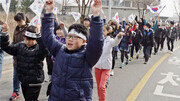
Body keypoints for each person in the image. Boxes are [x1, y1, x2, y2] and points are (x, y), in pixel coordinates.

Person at [42, 0, 104, 100]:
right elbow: (47, 36)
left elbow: (96, 42)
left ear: (84, 41)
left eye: (75, 37)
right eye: (69, 36)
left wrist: (96, 15)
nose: (70, 39)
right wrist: (49, 12)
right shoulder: (59, 50)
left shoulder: (88, 57)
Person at [1, 24, 48, 101]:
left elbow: (45, 50)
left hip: (35, 82)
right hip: (23, 81)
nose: (28, 42)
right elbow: (6, 47)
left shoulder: (39, 49)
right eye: (26, 39)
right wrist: (4, 33)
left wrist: (39, 35)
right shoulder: (20, 46)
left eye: (31, 40)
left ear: (36, 39)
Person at [94, 24, 123, 101]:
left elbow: (115, 42)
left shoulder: (109, 40)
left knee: (102, 86)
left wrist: (119, 36)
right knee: (98, 86)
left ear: (107, 31)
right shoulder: (97, 40)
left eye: (103, 30)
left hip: (106, 67)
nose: (101, 32)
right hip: (97, 67)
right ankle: (100, 99)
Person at [9, 12, 29, 101]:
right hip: (17, 57)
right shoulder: (16, 29)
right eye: (17, 22)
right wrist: (12, 48)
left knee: (26, 77)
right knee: (15, 76)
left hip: (27, 57)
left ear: (24, 20)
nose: (18, 23)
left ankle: (28, 93)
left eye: (20, 21)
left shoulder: (29, 28)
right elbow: (13, 41)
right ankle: (16, 92)